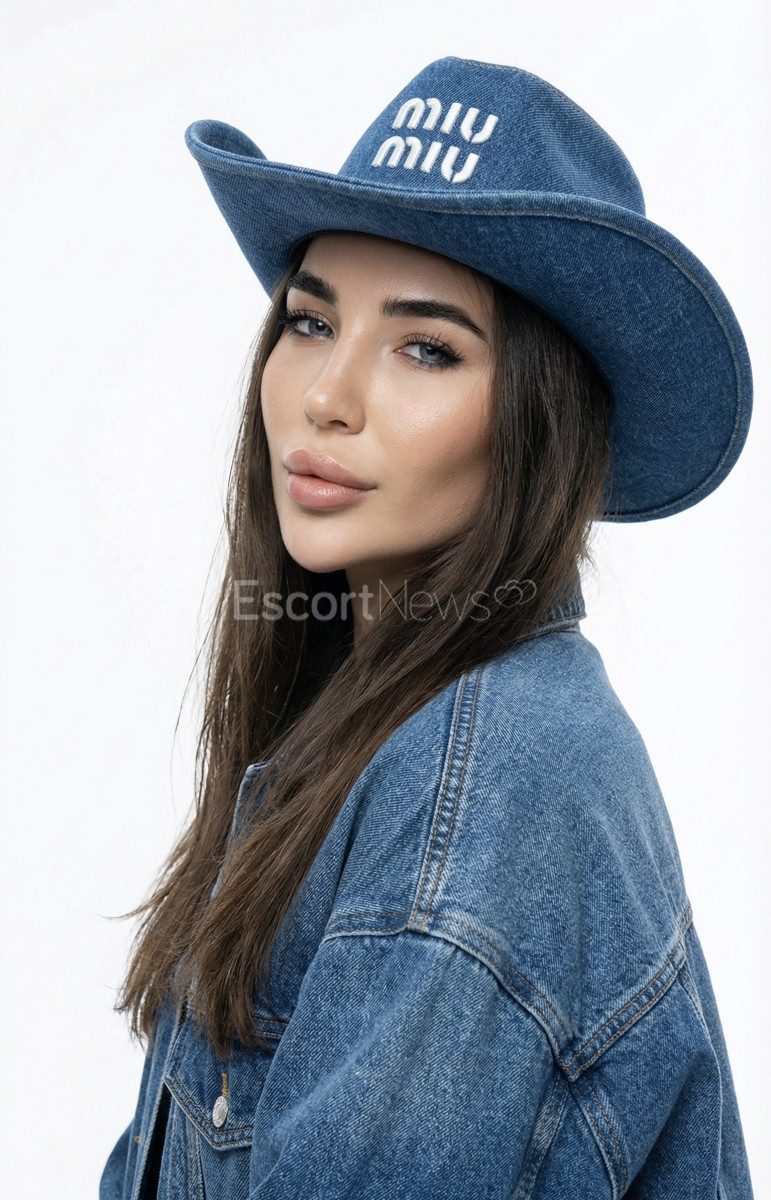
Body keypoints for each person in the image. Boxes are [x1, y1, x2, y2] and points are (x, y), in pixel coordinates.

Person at [100, 57, 755, 1198]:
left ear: (540, 418)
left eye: (425, 347)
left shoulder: (486, 780)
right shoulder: (374, 724)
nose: (325, 396)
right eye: (312, 321)